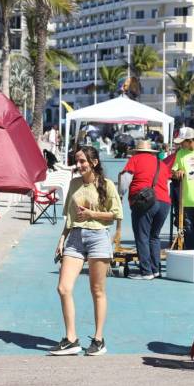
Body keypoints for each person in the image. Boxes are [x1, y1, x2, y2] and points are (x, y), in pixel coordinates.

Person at [50, 146, 123, 356]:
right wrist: (62, 239)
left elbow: (116, 214)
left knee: (97, 290)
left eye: (83, 161)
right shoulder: (74, 184)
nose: (79, 165)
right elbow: (69, 217)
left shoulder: (106, 185)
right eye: (77, 161)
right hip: (74, 238)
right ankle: (71, 339)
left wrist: (92, 213)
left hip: (98, 237)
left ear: (94, 162)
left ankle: (99, 339)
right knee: (63, 288)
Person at [120, 140, 171, 280]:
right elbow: (167, 183)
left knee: (142, 236)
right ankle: (156, 270)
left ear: (137, 151)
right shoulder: (161, 164)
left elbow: (125, 179)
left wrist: (120, 194)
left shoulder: (135, 160)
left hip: (145, 201)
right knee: (154, 237)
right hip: (164, 202)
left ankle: (146, 271)